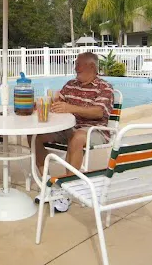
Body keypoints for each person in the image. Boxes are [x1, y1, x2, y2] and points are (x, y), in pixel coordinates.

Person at [31, 52, 114, 212]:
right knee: (34, 136)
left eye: (78, 64)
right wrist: (41, 104)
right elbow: (57, 103)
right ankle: (48, 183)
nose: (75, 68)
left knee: (77, 137)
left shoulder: (104, 87)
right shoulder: (70, 85)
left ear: (91, 66)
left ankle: (67, 191)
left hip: (94, 130)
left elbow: (98, 112)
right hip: (68, 128)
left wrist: (71, 108)